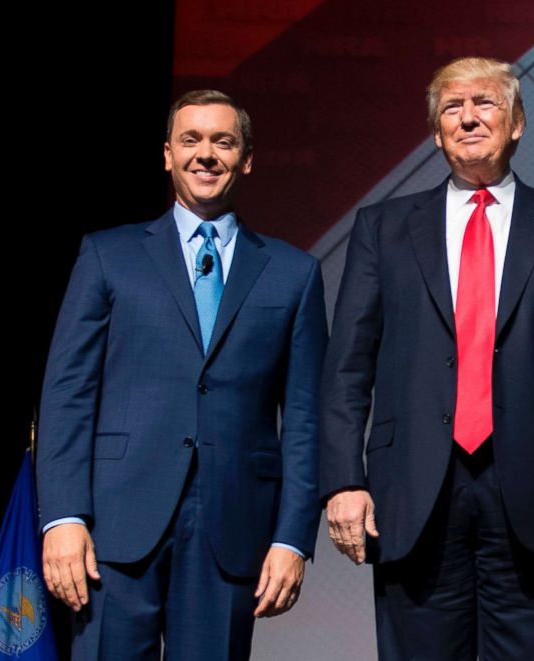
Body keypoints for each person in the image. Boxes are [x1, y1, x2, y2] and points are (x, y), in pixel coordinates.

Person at [319, 56, 534, 660]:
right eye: (451, 108)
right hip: (411, 492)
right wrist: (342, 481)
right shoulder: (382, 228)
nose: (467, 118)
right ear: (436, 133)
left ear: (516, 122)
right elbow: (347, 367)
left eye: (483, 102)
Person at [37, 89, 327, 660]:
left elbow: (304, 419)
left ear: (246, 158)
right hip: (114, 528)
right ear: (166, 154)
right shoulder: (107, 255)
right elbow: (67, 394)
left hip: (231, 527)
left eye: (224, 141)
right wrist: (63, 517)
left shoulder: (294, 274)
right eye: (190, 140)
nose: (206, 154)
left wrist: (293, 537)